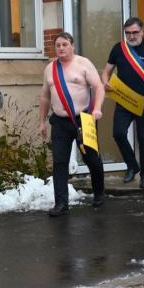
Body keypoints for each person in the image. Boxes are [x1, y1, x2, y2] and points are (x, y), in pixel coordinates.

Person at [38, 32, 106, 216]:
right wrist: (42, 122)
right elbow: (45, 97)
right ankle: (61, 203)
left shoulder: (83, 63)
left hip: (83, 119)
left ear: (72, 46)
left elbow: (98, 87)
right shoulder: (50, 69)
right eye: (58, 45)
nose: (61, 48)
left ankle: (99, 193)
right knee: (59, 162)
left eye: (65, 44)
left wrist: (97, 109)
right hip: (59, 122)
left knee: (92, 159)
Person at [101, 17, 144, 189]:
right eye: (128, 33)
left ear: (142, 32)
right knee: (118, 134)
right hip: (124, 100)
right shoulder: (118, 49)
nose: (131, 36)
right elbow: (106, 71)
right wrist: (105, 82)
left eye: (135, 32)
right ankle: (132, 165)